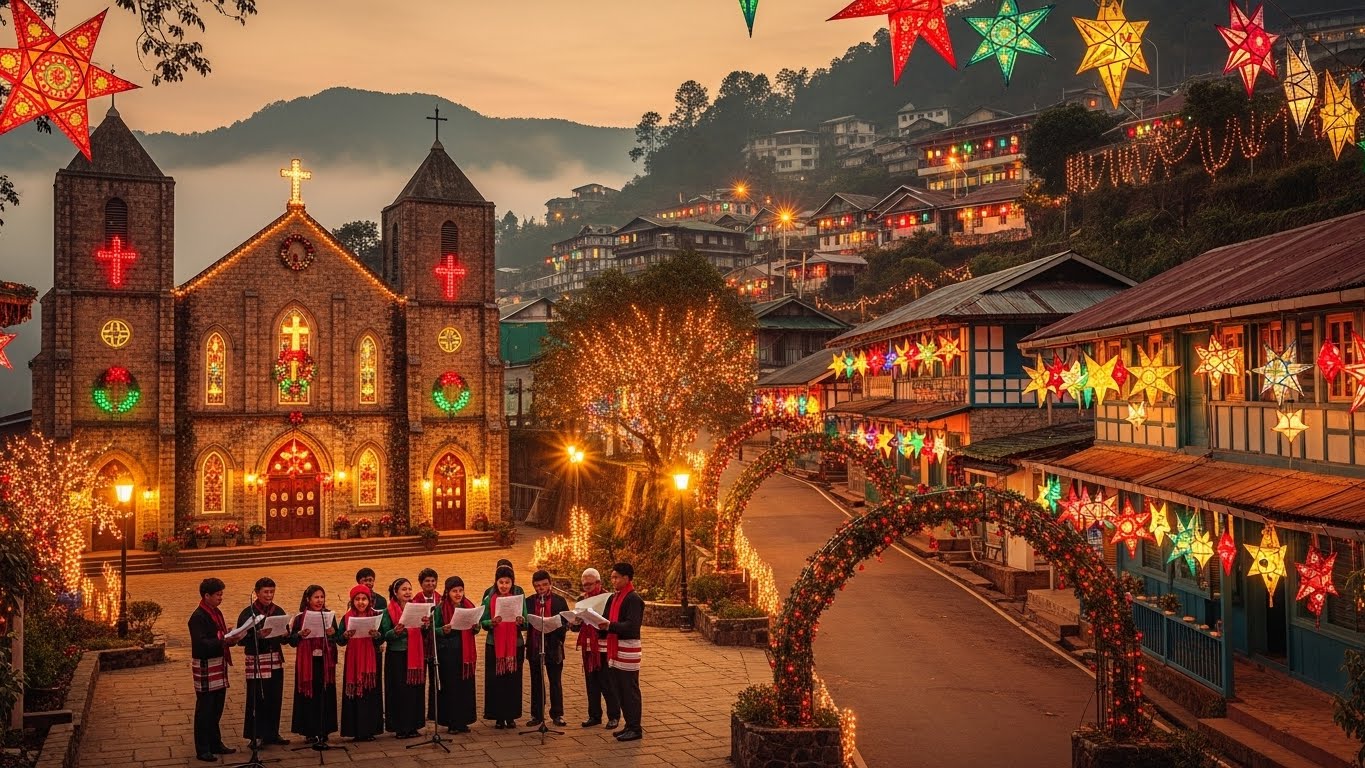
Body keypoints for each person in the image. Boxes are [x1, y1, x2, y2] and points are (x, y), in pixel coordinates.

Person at [189, 577, 239, 763]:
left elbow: (219, 636)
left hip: (218, 664)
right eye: (218, 595)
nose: (221, 598)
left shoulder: (216, 612)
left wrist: (230, 636)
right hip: (205, 667)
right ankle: (202, 748)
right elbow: (201, 644)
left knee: (217, 708)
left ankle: (215, 743)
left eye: (221, 594)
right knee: (205, 709)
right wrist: (223, 639)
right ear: (206, 595)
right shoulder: (198, 617)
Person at [595, 562, 645, 742]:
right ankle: (629, 725)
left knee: (629, 689)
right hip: (616, 648)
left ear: (626, 578)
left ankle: (635, 728)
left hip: (628, 649)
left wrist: (610, 626)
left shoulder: (633, 599)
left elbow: (632, 626)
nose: (613, 580)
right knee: (620, 689)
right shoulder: (616, 597)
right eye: (612, 577)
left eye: (616, 577)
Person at [238, 577, 289, 748]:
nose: (269, 595)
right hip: (257, 659)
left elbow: (285, 634)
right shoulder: (248, 613)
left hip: (274, 659)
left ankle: (272, 733)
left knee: (275, 697)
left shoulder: (278, 610)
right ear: (257, 592)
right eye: (266, 592)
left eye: (272, 592)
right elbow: (240, 638)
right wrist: (257, 635)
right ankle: (256, 734)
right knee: (257, 698)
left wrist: (285, 634)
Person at [287, 585, 338, 744]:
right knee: (309, 695)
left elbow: (336, 638)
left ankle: (324, 729)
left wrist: (332, 634)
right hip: (307, 663)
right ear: (308, 599)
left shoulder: (329, 615)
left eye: (322, 597)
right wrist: (300, 635)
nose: (319, 600)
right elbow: (292, 641)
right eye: (316, 597)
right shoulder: (300, 617)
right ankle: (309, 731)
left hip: (325, 660)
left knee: (325, 693)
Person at [569, 567, 619, 729]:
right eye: (584, 585)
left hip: (603, 645)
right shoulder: (582, 599)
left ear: (598, 582)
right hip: (588, 646)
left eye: (590, 584)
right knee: (591, 683)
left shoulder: (609, 598)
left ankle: (614, 716)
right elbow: (577, 627)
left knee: (607, 682)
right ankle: (594, 715)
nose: (587, 588)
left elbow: (612, 621)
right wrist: (574, 622)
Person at [380, 577, 429, 738]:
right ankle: (400, 727)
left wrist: (425, 625)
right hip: (397, 656)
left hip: (416, 654)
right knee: (399, 691)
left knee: (415, 690)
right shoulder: (388, 611)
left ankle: (414, 725)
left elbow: (424, 631)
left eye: (409, 589)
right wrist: (396, 631)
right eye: (403, 589)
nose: (407, 592)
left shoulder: (417, 608)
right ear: (395, 592)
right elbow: (384, 634)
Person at [480, 564, 526, 728]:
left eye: (507, 582)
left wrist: (521, 621)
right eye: (501, 582)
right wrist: (491, 622)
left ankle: (511, 715)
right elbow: (482, 621)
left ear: (512, 583)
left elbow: (525, 620)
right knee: (496, 681)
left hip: (515, 645)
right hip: (494, 644)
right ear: (496, 582)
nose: (504, 586)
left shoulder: (519, 595)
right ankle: (498, 716)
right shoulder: (489, 597)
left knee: (513, 680)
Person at [432, 575, 479, 733]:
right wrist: (442, 630)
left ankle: (463, 721)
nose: (458, 594)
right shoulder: (440, 609)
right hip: (448, 653)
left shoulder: (468, 606)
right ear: (447, 592)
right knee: (451, 688)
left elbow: (475, 629)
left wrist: (476, 626)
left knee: (465, 687)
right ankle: (452, 722)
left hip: (465, 654)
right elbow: (433, 630)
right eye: (454, 591)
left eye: (460, 590)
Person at [337, 584, 384, 742]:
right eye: (357, 599)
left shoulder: (375, 616)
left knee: (370, 695)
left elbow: (381, 638)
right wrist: (345, 635)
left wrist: (377, 635)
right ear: (352, 601)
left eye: (364, 599)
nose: (361, 602)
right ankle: (355, 730)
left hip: (370, 663)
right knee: (354, 695)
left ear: (369, 600)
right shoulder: (347, 617)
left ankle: (370, 730)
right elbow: (340, 640)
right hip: (354, 663)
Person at [526, 569, 568, 728]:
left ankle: (557, 714)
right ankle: (537, 715)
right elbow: (526, 623)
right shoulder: (529, 601)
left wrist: (558, 626)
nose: (541, 588)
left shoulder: (560, 601)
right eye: (537, 586)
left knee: (555, 681)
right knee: (536, 681)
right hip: (535, 645)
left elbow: (564, 623)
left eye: (544, 585)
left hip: (553, 645)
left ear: (550, 584)